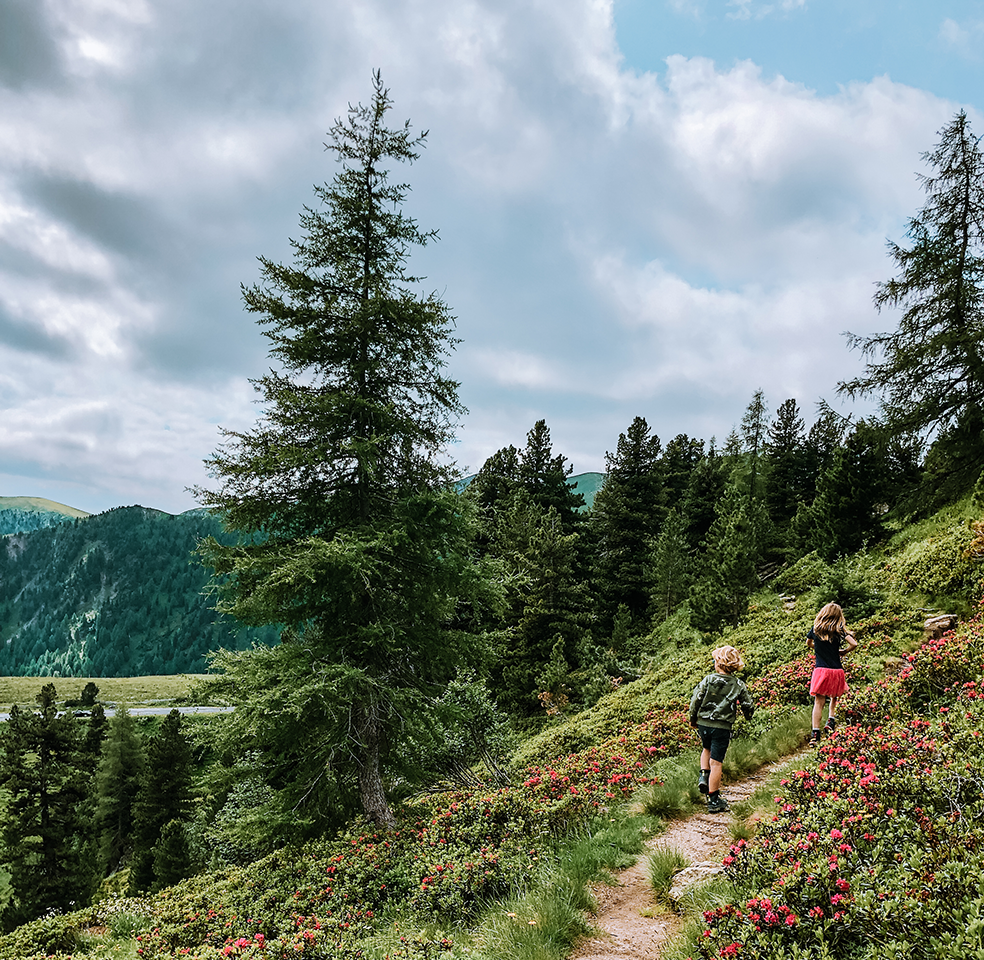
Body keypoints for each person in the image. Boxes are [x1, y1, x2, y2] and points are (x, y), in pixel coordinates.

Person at [689, 645, 755, 813]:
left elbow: (696, 699)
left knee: (706, 749)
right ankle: (713, 799)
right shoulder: (738, 684)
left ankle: (704, 776)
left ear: (718, 664)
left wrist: (693, 718)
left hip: (703, 724)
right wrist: (748, 716)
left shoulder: (709, 679)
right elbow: (748, 704)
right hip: (722, 727)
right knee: (716, 763)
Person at [807, 601, 858, 745]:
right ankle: (831, 720)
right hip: (836, 670)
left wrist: (816, 647)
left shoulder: (815, 629)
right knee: (835, 696)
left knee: (819, 702)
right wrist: (844, 652)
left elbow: (808, 643)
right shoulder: (839, 629)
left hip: (820, 670)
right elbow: (854, 643)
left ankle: (815, 733)